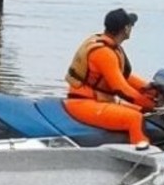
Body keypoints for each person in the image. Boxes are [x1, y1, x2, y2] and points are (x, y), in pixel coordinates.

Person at [64, 8, 159, 148]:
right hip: (84, 103)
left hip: (96, 101)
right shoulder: (104, 52)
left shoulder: (107, 45)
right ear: (126, 29)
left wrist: (151, 89)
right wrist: (148, 103)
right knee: (135, 118)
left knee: (142, 112)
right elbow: (120, 88)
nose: (132, 28)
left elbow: (121, 76)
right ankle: (142, 159)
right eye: (131, 25)